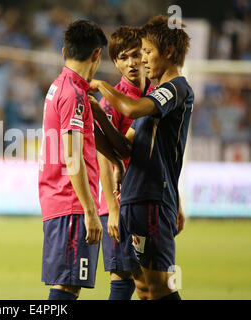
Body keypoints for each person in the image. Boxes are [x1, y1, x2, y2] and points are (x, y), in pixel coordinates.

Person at [90, 15, 191, 300]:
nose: (141, 61)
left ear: (167, 52)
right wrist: (94, 116)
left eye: (145, 52)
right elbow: (124, 149)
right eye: (133, 55)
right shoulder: (153, 97)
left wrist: (100, 87)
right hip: (134, 203)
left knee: (157, 287)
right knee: (144, 289)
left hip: (152, 202)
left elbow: (132, 111)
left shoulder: (170, 91)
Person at [39, 20, 123, 300]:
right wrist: (89, 210)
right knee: (68, 286)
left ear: (64, 52)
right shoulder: (74, 95)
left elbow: (84, 140)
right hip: (72, 203)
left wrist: (117, 161)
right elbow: (72, 157)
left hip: (59, 199)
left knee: (67, 283)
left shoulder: (60, 87)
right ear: (97, 55)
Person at [95, 26, 154, 300]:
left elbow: (161, 156)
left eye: (134, 55)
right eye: (122, 57)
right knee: (122, 279)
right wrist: (113, 208)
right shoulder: (112, 100)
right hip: (121, 203)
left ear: (145, 55)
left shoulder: (157, 95)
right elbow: (103, 158)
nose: (130, 63)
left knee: (148, 283)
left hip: (150, 201)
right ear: (115, 62)